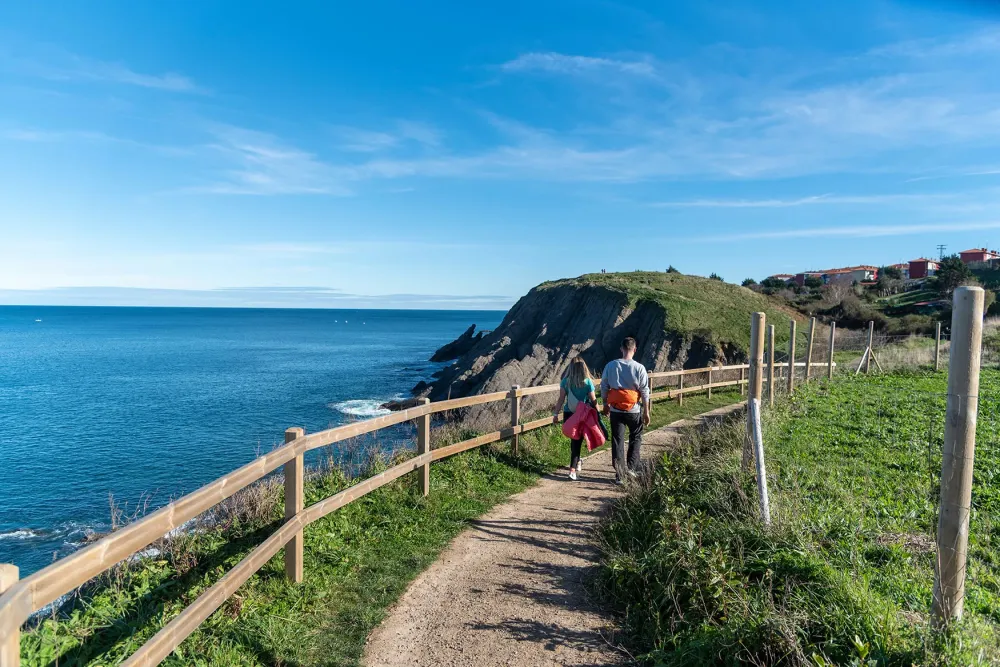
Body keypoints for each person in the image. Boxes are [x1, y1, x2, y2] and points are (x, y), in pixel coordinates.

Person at [601, 337, 651, 483]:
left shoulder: (610, 366)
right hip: (634, 410)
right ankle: (631, 469)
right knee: (636, 437)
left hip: (616, 410)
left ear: (621, 348)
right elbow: (644, 391)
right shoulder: (639, 368)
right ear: (634, 349)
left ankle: (620, 475)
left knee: (618, 440)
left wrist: (605, 404)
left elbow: (604, 386)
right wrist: (646, 412)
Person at [553, 357, 597, 481]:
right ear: (584, 367)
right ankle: (574, 467)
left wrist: (555, 414)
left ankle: (575, 465)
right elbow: (593, 400)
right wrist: (599, 411)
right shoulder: (587, 382)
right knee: (577, 441)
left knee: (575, 440)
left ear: (570, 368)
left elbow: (561, 399)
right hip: (582, 414)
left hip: (569, 413)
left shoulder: (565, 382)